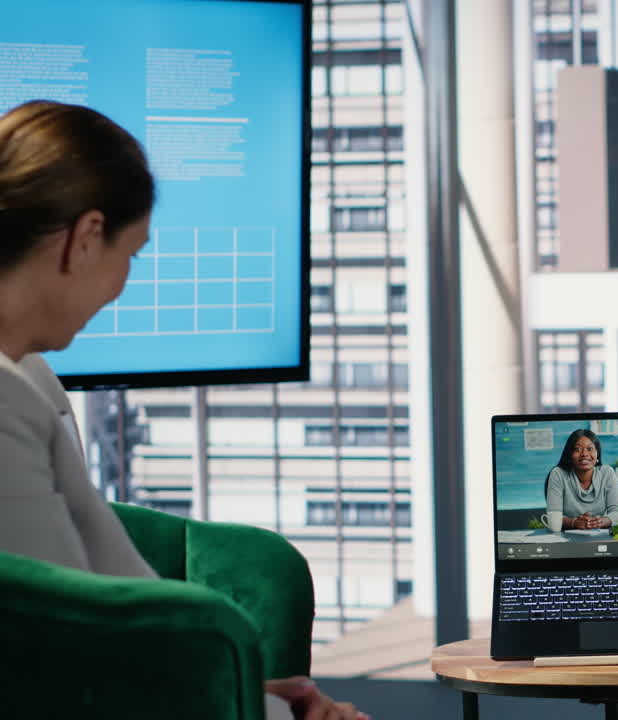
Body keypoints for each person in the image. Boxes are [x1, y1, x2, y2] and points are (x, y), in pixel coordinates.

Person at [0, 100, 367, 720]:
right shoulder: (8, 404)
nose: (121, 285)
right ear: (85, 238)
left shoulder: (29, 380)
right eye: (132, 255)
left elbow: (126, 599)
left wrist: (253, 696)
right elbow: (69, 661)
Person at [545, 428, 618, 530]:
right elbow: (554, 516)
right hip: (566, 539)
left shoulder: (607, 473)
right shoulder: (558, 474)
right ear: (570, 454)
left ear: (597, 454)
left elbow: (617, 513)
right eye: (577, 449)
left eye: (590, 449)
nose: (584, 454)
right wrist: (574, 523)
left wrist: (599, 522)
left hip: (599, 537)